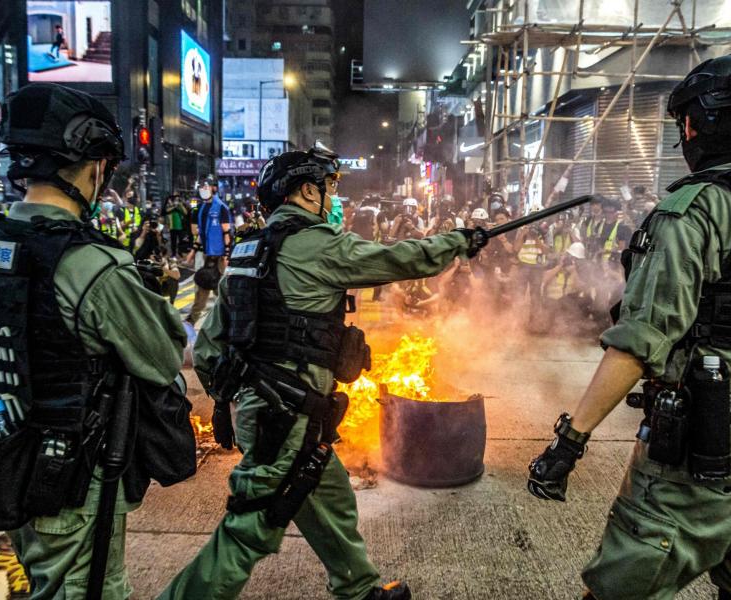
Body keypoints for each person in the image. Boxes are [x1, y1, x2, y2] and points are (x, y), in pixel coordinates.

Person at [527, 54, 731, 600]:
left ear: (695, 126)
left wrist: (569, 443)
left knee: (619, 586)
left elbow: (638, 343)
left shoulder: (691, 211)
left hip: (702, 457)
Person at [161, 144, 487, 600]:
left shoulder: (247, 249)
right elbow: (396, 260)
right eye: (328, 188)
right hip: (286, 415)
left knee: (329, 494)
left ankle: (358, 587)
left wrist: (223, 400)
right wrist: (458, 241)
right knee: (250, 526)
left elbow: (212, 341)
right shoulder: (316, 244)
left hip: (272, 409)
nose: (332, 198)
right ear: (307, 191)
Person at [0, 83, 188, 599]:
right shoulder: (90, 264)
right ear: (95, 166)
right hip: (72, 478)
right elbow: (162, 356)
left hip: (4, 456)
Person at [187, 175, 232, 325]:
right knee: (204, 286)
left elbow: (226, 233)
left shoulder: (221, 208)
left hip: (219, 257)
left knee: (220, 290)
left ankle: (229, 321)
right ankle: (192, 321)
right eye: (201, 188)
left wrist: (226, 255)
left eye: (206, 187)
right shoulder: (201, 208)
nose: (203, 190)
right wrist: (193, 252)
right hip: (208, 255)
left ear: (214, 188)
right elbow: (201, 234)